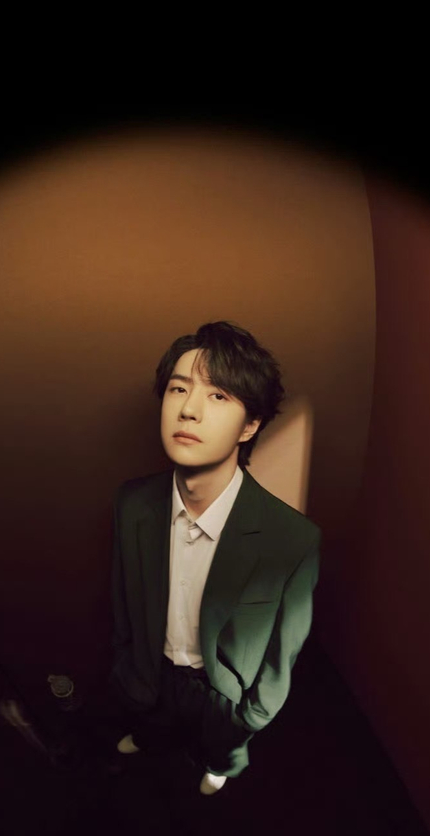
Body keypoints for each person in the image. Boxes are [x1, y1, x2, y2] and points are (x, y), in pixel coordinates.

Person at [109, 321, 321, 795]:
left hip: (222, 693)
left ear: (250, 425)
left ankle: (219, 765)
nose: (188, 409)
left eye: (218, 395)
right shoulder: (132, 504)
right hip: (151, 672)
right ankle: (148, 736)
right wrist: (127, 665)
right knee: (152, 724)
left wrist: (251, 717)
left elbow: (283, 651)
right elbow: (123, 595)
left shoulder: (293, 540)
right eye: (178, 388)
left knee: (221, 749)